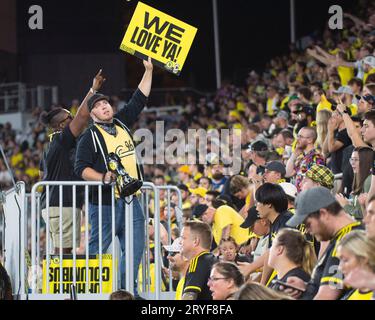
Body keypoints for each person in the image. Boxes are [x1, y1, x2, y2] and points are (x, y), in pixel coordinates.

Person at [74, 57, 153, 295]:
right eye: (98, 106)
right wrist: (103, 178)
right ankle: (85, 292)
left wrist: (148, 70)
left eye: (106, 103)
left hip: (133, 199)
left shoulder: (121, 123)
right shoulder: (89, 136)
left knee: (135, 249)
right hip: (105, 203)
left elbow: (139, 99)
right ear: (93, 114)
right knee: (97, 249)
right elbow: (80, 168)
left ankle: (127, 292)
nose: (105, 106)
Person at [40, 69, 106, 254]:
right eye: (69, 117)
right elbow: (83, 117)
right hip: (63, 204)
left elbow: (40, 175)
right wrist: (93, 90)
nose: (73, 119)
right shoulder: (62, 140)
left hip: (52, 204)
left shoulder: (49, 146)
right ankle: (58, 285)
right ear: (62, 125)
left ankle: (56, 283)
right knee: (64, 253)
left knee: (61, 252)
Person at [285, 187, 364, 300]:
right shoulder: (341, 237)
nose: (307, 230)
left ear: (323, 213)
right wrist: (306, 287)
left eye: (307, 224)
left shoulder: (347, 240)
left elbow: (327, 296)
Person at [268, 228, 316, 294]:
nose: (269, 250)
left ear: (280, 249)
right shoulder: (281, 277)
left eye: (272, 245)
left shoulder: (293, 282)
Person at [180, 221, 218, 300]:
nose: (180, 242)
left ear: (195, 241)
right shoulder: (214, 261)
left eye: (183, 238)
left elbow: (190, 295)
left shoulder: (198, 261)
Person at [335, 147, 373, 220]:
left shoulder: (369, 180)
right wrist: (349, 203)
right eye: (351, 159)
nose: (352, 163)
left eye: (356, 160)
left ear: (365, 162)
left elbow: (364, 214)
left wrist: (345, 205)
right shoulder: (358, 179)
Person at [337, 230, 375, 300]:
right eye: (340, 260)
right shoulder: (349, 294)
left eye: (345, 260)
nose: (340, 267)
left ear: (364, 259)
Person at [285, 127, 325, 191]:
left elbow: (316, 182)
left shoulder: (317, 157)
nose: (297, 139)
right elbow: (288, 173)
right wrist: (294, 155)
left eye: (300, 136)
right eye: (297, 136)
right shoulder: (301, 157)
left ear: (310, 140)